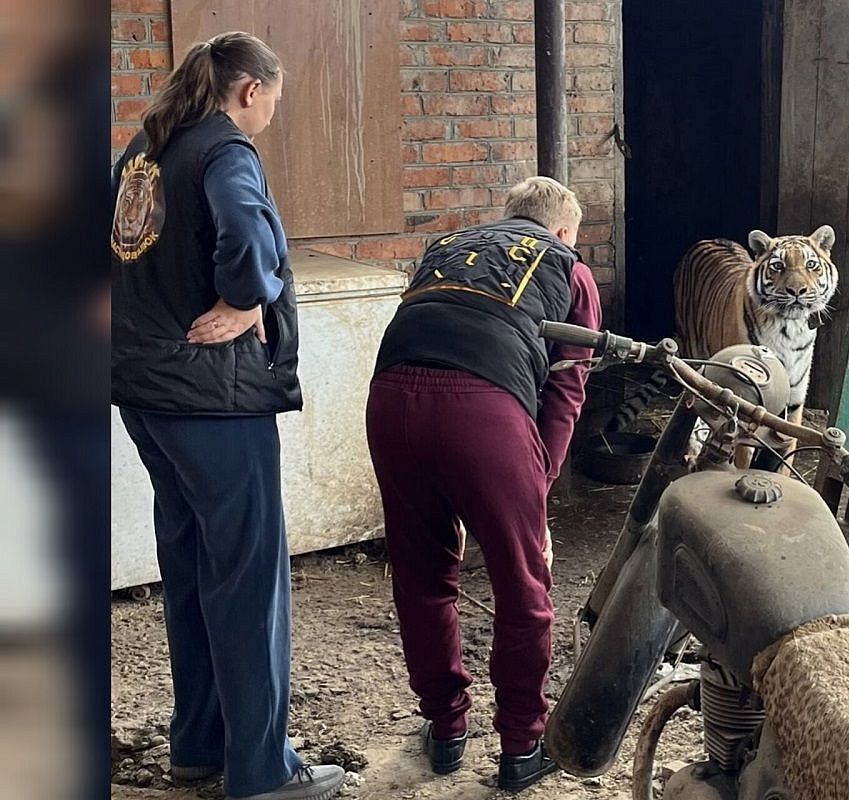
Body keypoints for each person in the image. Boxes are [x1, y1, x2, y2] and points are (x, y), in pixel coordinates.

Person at [110, 32, 344, 800]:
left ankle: (200, 746)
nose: (271, 114)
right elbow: (245, 234)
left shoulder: (143, 154)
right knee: (247, 580)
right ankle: (263, 773)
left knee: (191, 569)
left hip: (145, 396)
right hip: (212, 400)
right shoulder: (223, 151)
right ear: (250, 91)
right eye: (273, 101)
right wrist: (247, 298)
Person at [366, 176, 601, 791]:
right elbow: (566, 388)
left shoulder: (445, 251)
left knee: (421, 576)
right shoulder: (569, 268)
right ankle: (523, 745)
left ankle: (445, 729)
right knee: (522, 582)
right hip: (483, 410)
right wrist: (540, 485)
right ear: (562, 231)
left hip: (389, 399)